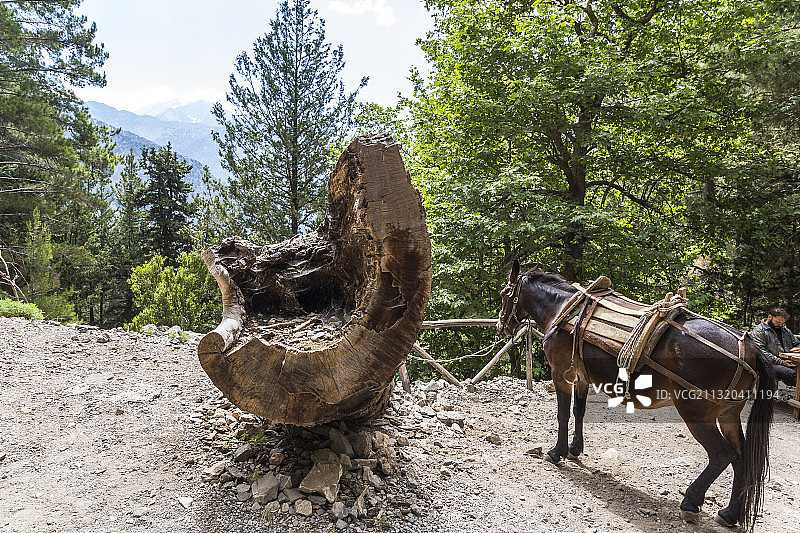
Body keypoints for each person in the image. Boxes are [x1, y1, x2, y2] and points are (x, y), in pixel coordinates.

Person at [750, 308, 799, 387]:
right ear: (769, 317)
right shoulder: (759, 331)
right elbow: (760, 352)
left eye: (782, 323)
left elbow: (796, 343)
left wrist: (798, 348)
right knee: (794, 376)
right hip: (768, 364)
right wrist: (781, 362)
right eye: (777, 322)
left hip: (789, 362)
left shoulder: (785, 330)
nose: (780, 325)